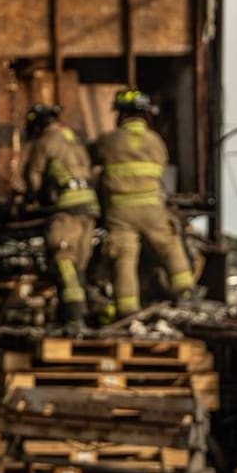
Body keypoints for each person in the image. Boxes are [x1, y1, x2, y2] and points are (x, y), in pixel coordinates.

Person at [94, 90, 194, 317]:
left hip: (120, 211)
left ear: (120, 115)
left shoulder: (109, 141)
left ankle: (127, 310)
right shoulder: (155, 141)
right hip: (152, 208)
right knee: (170, 247)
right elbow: (161, 167)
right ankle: (186, 292)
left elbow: (93, 161)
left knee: (124, 259)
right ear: (146, 115)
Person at [22, 103, 101, 333]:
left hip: (67, 209)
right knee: (79, 264)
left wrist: (33, 198)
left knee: (63, 258)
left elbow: (34, 175)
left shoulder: (46, 142)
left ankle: (73, 318)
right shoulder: (74, 138)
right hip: (89, 208)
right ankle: (86, 315)